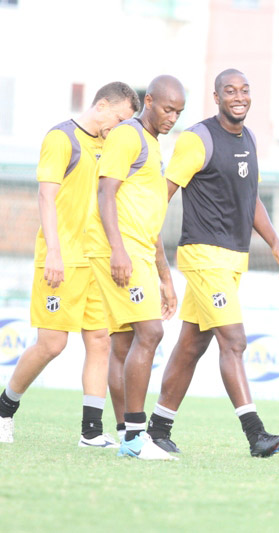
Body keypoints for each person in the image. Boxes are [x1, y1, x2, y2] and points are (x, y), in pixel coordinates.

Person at [145, 69, 279, 458]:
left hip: (233, 259)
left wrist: (276, 241)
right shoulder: (198, 139)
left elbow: (251, 197)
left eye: (245, 90)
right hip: (203, 255)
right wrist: (143, 243)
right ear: (216, 97)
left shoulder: (250, 138)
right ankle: (256, 435)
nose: (239, 97)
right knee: (235, 340)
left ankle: (156, 429)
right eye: (230, 91)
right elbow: (163, 193)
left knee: (191, 345)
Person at [0, 82, 139, 446]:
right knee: (52, 345)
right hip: (62, 259)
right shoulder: (62, 139)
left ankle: (91, 432)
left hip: (96, 262)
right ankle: (3, 409)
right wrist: (55, 254)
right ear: (103, 106)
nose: (120, 127)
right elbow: (46, 197)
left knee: (99, 342)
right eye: (120, 119)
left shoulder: (110, 146)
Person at [83, 75, 185, 461]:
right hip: (120, 251)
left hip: (141, 252)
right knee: (151, 332)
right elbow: (105, 191)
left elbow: (152, 218)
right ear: (149, 101)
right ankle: (135, 438)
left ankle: (128, 436)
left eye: (179, 112)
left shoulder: (154, 146)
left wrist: (165, 277)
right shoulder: (127, 135)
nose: (172, 117)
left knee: (124, 344)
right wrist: (118, 251)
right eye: (167, 108)